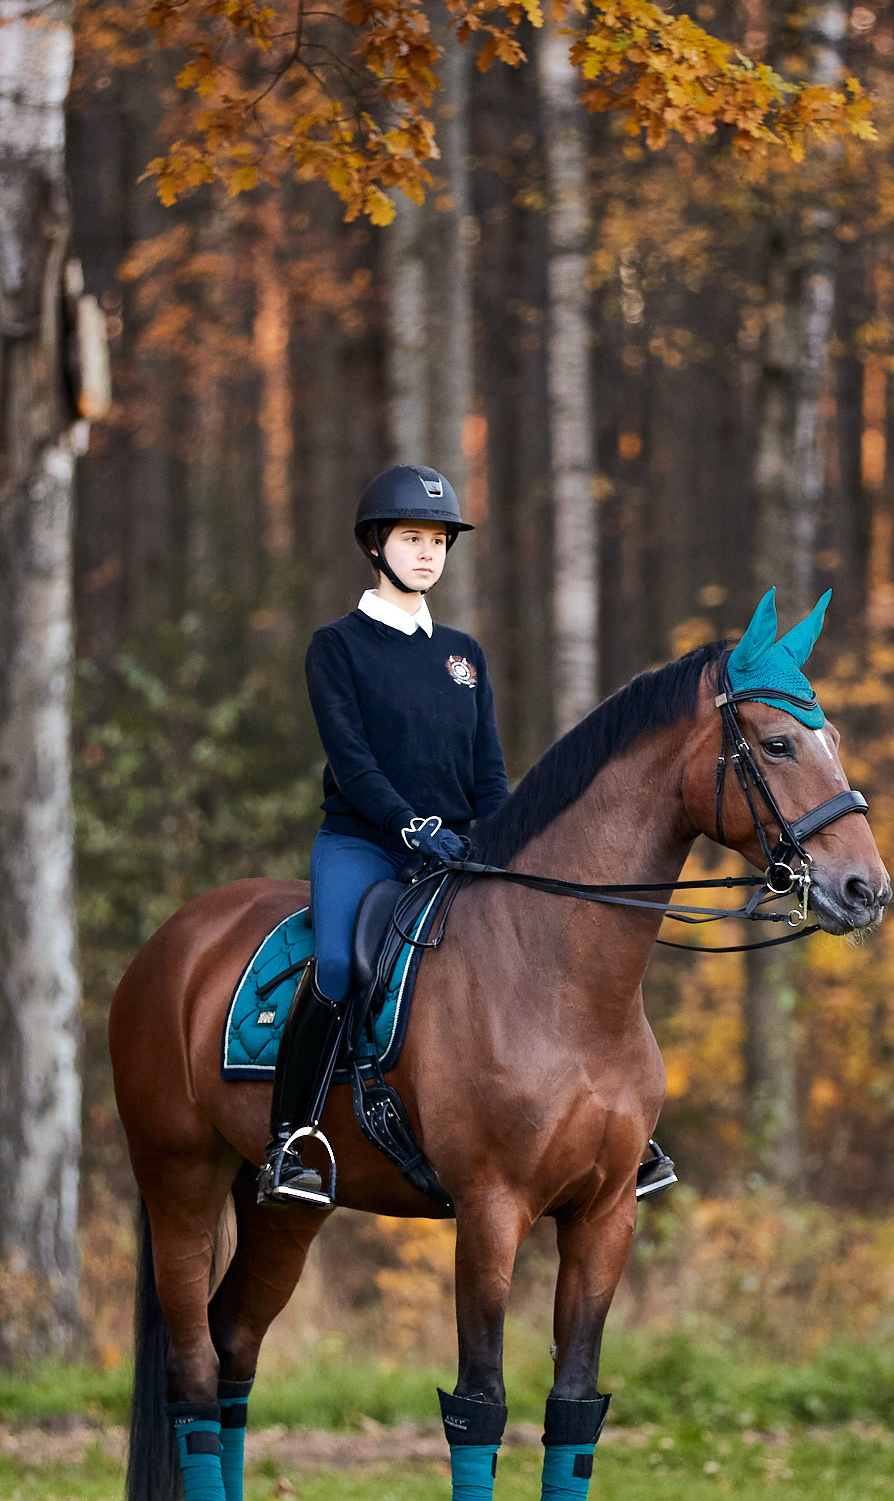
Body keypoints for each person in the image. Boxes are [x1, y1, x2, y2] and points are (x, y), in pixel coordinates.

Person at [261, 466, 678, 1207]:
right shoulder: (337, 646)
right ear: (375, 545)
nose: (428, 553)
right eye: (412, 538)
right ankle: (292, 1138)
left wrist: (506, 839)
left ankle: (615, 1125)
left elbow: (489, 772)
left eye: (438, 540)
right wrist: (407, 824)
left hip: (459, 848)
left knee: (556, 947)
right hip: (366, 843)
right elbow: (353, 763)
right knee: (339, 963)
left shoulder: (463, 655)